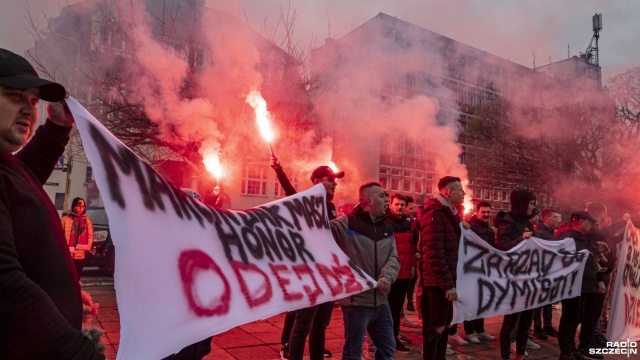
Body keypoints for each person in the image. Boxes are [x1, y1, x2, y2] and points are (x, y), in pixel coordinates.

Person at [0, 48, 103, 358]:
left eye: (33, 101)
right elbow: (4, 288)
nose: (30, 110)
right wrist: (77, 352)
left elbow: (25, 175)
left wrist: (58, 126)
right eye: (15, 96)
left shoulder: (7, 164)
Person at [271, 157, 343, 360]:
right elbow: (290, 194)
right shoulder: (304, 202)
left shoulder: (330, 206)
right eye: (330, 180)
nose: (335, 184)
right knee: (302, 326)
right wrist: (279, 171)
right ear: (317, 182)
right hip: (310, 275)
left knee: (320, 326)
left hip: (328, 274)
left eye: (335, 180)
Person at [330, 182, 399, 360]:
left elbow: (393, 258)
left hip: (381, 301)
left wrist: (387, 276)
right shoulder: (347, 223)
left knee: (388, 349)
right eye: (382, 196)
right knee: (353, 354)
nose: (387, 200)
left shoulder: (387, 228)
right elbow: (320, 231)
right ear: (368, 200)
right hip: (357, 303)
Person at [420, 176, 465, 360]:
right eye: (460, 189)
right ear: (448, 192)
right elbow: (434, 253)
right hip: (438, 282)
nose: (463, 193)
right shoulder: (434, 214)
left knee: (446, 324)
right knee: (436, 325)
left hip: (447, 279)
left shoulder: (449, 214)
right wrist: (447, 284)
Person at [494, 190, 539, 360]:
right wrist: (522, 238)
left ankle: (520, 354)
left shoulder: (525, 222)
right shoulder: (507, 223)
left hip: (528, 279)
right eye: (531, 203)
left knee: (526, 322)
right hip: (514, 280)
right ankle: (505, 356)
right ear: (521, 203)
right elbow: (502, 248)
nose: (533, 207)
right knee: (511, 322)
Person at [556, 211, 606, 360]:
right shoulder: (567, 237)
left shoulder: (582, 238)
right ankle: (565, 352)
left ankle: (571, 349)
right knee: (570, 319)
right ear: (579, 221)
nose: (590, 225)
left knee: (576, 318)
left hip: (584, 286)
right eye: (588, 222)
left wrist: (596, 279)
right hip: (572, 286)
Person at [385, 193, 416, 354]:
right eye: (397, 204)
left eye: (402, 205)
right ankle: (389, 339)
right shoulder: (386, 222)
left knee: (397, 309)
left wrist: (412, 265)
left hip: (404, 274)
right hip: (392, 274)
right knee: (390, 309)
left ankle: (393, 336)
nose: (400, 207)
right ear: (390, 205)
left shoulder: (406, 222)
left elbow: (410, 247)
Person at [463, 201, 496, 343]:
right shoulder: (472, 228)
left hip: (485, 269)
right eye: (484, 212)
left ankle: (480, 329)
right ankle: (469, 331)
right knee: (470, 301)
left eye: (488, 212)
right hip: (473, 270)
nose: (486, 214)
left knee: (481, 300)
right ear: (477, 212)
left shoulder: (489, 230)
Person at [532, 208, 561, 340]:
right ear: (546, 218)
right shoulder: (540, 233)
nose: (557, 220)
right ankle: (537, 327)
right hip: (541, 271)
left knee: (548, 298)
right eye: (554, 217)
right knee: (540, 300)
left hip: (549, 270)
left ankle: (547, 325)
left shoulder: (550, 232)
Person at [61, 197, 94, 279]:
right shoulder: (65, 220)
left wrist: (88, 247)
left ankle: (76, 289)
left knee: (77, 276)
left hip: (80, 253)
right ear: (73, 206)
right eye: (79, 206)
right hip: (67, 253)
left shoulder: (87, 221)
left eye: (82, 207)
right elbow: (59, 235)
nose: (80, 209)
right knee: (67, 275)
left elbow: (90, 235)